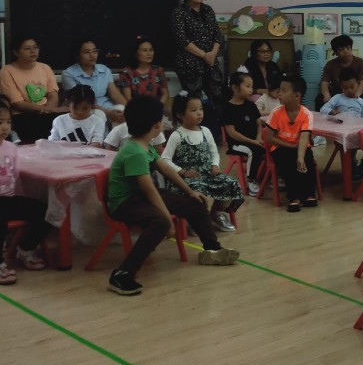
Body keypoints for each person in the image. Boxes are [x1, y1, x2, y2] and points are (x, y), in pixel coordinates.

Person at [106, 94, 238, 296]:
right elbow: (149, 189)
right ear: (156, 125)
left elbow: (166, 169)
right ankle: (122, 274)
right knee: (159, 222)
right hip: (125, 203)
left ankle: (212, 249)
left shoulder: (145, 145)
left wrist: (190, 191)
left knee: (195, 202)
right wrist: (168, 220)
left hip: (139, 197)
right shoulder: (134, 152)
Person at [0, 99, 52, 284]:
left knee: (47, 212)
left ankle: (26, 249)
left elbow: (15, 177)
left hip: (7, 199)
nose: (5, 127)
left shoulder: (10, 147)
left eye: (8, 122)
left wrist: (23, 197)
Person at [163, 93, 244, 232]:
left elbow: (214, 152)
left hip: (207, 174)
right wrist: (183, 172)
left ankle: (216, 214)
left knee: (231, 183)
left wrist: (215, 165)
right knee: (199, 188)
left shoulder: (205, 131)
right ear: (180, 115)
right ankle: (197, 220)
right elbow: (165, 160)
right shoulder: (177, 135)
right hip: (186, 179)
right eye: (194, 110)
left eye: (201, 109)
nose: (199, 113)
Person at [0, 34, 66, 143]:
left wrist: (49, 110)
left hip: (47, 112)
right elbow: (17, 104)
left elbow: (52, 94)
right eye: (27, 48)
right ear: (16, 52)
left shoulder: (45, 68)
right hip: (22, 115)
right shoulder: (6, 71)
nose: (33, 51)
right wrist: (44, 110)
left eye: (35, 47)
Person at [265, 75, 318, 213]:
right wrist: (290, 146)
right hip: (281, 147)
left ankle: (309, 194)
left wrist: (300, 157)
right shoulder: (276, 113)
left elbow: (304, 137)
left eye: (284, 90)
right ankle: (294, 197)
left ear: (297, 95)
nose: (279, 94)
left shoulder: (307, 114)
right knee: (289, 163)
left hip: (300, 146)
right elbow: (270, 138)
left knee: (308, 161)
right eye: (279, 90)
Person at [169, 0, 225, 110]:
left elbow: (218, 35)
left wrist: (212, 54)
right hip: (189, 64)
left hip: (210, 62)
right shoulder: (179, 12)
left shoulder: (208, 10)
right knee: (194, 100)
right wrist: (204, 55)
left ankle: (217, 123)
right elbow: (182, 39)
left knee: (218, 97)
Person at [61, 38, 125, 123]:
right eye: (87, 52)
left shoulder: (104, 70)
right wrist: (108, 113)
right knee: (99, 114)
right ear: (77, 55)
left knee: (121, 110)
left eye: (95, 51)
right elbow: (82, 100)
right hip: (85, 107)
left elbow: (115, 94)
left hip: (106, 105)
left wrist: (130, 109)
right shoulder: (68, 74)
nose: (92, 55)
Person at [223, 73, 266, 197]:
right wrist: (253, 142)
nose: (251, 90)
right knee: (254, 150)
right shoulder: (227, 108)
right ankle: (251, 180)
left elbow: (259, 124)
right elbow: (232, 133)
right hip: (237, 144)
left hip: (255, 140)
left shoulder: (251, 105)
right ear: (235, 88)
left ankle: (274, 176)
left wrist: (258, 137)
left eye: (251, 86)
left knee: (272, 147)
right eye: (247, 86)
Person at [115, 36, 169, 108]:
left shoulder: (158, 70)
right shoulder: (126, 72)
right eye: (144, 50)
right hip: (135, 108)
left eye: (151, 50)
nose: (149, 53)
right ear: (135, 53)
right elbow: (128, 98)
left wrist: (158, 107)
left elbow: (165, 94)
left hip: (156, 108)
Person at [319, 34, 363, 105]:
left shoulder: (360, 62)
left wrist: (356, 96)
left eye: (348, 48)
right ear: (335, 52)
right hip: (336, 93)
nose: (346, 51)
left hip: (354, 92)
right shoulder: (330, 64)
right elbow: (324, 83)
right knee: (319, 99)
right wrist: (326, 94)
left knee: (361, 101)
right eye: (341, 49)